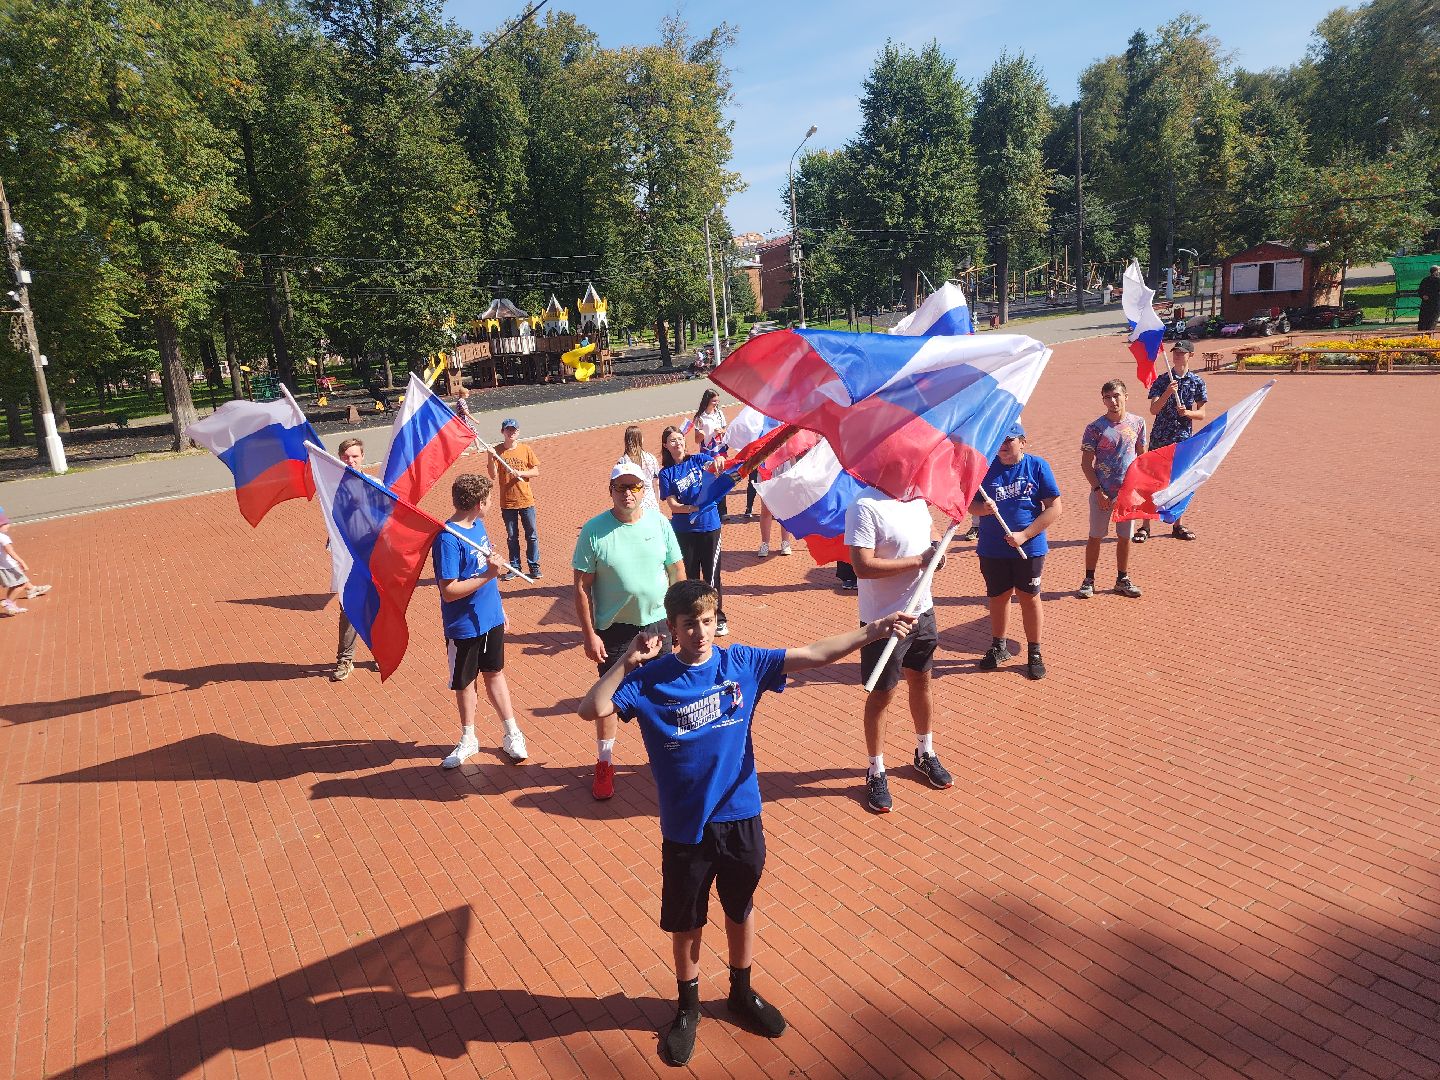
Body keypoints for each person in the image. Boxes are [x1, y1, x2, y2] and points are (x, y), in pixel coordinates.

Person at [579, 580, 915, 1067]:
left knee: (740, 905)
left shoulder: (742, 663)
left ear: (718, 621)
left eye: (708, 621)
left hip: (740, 817)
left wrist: (873, 631)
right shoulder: (651, 680)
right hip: (684, 828)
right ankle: (688, 1006)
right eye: (689, 624)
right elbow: (592, 708)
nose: (700, 632)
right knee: (689, 919)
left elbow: (814, 654)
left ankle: (741, 991)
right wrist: (626, 662)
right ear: (672, 628)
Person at [573, 462, 684, 800]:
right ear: (611, 491)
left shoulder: (659, 523)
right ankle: (604, 763)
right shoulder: (594, 531)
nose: (628, 493)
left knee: (666, 695)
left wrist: (679, 620)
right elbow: (580, 586)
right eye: (621, 487)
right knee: (609, 701)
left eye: (634, 487)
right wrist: (589, 633)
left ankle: (671, 758)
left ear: (642, 490)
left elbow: (677, 570)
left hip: (658, 625)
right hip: (615, 632)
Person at [844, 488, 953, 814]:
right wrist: (919, 562)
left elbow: (932, 535)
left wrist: (939, 553)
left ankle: (924, 752)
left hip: (923, 611)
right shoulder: (863, 506)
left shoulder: (917, 499)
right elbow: (862, 566)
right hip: (885, 619)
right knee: (883, 695)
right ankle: (875, 770)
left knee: (922, 682)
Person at [432, 474, 528, 768]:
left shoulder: (478, 525)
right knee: (466, 683)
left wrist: (499, 609)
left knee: (495, 673)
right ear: (478, 503)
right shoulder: (448, 539)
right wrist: (488, 575)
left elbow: (488, 569)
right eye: (487, 500)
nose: (490, 505)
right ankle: (468, 737)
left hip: (490, 618)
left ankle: (512, 733)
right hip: (463, 626)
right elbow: (448, 592)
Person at [970, 422, 1062, 681]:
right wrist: (982, 510)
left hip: (1029, 548)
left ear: (1023, 441)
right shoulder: (985, 468)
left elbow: (1054, 508)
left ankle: (1034, 652)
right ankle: (999, 646)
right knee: (998, 597)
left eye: (1009, 440)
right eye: (999, 440)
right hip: (992, 548)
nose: (1003, 446)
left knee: (1029, 597)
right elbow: (970, 504)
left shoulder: (1037, 466)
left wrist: (1025, 535)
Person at [658, 424, 730, 636]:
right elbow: (672, 506)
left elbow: (717, 465)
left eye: (680, 439)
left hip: (710, 528)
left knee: (712, 576)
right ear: (666, 445)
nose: (677, 443)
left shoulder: (697, 460)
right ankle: (692, 617)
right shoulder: (666, 474)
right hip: (683, 532)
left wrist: (718, 459)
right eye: (672, 440)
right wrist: (694, 508)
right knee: (689, 579)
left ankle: (718, 618)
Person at [1079, 380, 1146, 599]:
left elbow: (1142, 458)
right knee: (1095, 536)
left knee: (1124, 537)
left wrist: (1140, 487)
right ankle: (1089, 580)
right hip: (1102, 493)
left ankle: (1122, 579)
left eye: (1116, 396)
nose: (1112, 401)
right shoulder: (1095, 428)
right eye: (1107, 397)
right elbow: (1086, 464)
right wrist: (1098, 490)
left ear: (1126, 396)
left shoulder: (1138, 423)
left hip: (1127, 494)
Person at [1138, 341, 1207, 542]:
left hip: (1182, 438)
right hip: (1161, 437)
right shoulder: (1161, 381)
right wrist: (1168, 391)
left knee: (1179, 481)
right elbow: (1153, 409)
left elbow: (1202, 413)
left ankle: (1177, 523)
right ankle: (1145, 525)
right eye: (1175, 353)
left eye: (1181, 353)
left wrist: (1188, 413)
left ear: (1190, 355)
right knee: (1152, 480)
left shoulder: (1197, 382)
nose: (1177, 356)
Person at [330, 438, 370, 681]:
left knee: (378, 606)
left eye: (355, 456)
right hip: (348, 559)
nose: (351, 460)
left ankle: (380, 650)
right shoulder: (333, 487)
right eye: (346, 457)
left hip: (373, 556)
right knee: (349, 609)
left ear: (363, 457)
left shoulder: (373, 484)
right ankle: (345, 659)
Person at [488, 417, 542, 579]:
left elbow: (535, 471)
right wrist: (490, 457)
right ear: (502, 431)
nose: (511, 432)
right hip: (508, 502)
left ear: (518, 432)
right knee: (512, 537)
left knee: (531, 535)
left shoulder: (525, 449)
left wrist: (521, 473)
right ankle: (515, 567)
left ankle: (534, 566)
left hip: (526, 500)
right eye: (508, 430)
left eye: (514, 430)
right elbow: (492, 475)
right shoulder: (497, 450)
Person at [0, 507, 51, 616]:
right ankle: (8, 603)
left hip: (3, 566)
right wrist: (22, 561)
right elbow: (10, 551)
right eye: (5, 524)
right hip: (10, 566)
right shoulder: (4, 538)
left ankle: (12, 605)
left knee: (14, 585)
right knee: (21, 584)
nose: (8, 525)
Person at [615, 424, 662, 514]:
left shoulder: (623, 461)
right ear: (641, 439)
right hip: (650, 500)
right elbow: (656, 483)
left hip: (634, 500)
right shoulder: (651, 458)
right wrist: (656, 502)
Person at [1418, 265, 1440, 331]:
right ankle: (1428, 334)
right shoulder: (1438, 280)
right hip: (1435, 303)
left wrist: (1423, 296)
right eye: (1439, 271)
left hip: (1426, 303)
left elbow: (1420, 291)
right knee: (1433, 319)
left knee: (1423, 318)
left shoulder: (1425, 279)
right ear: (1435, 271)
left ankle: (1421, 334)